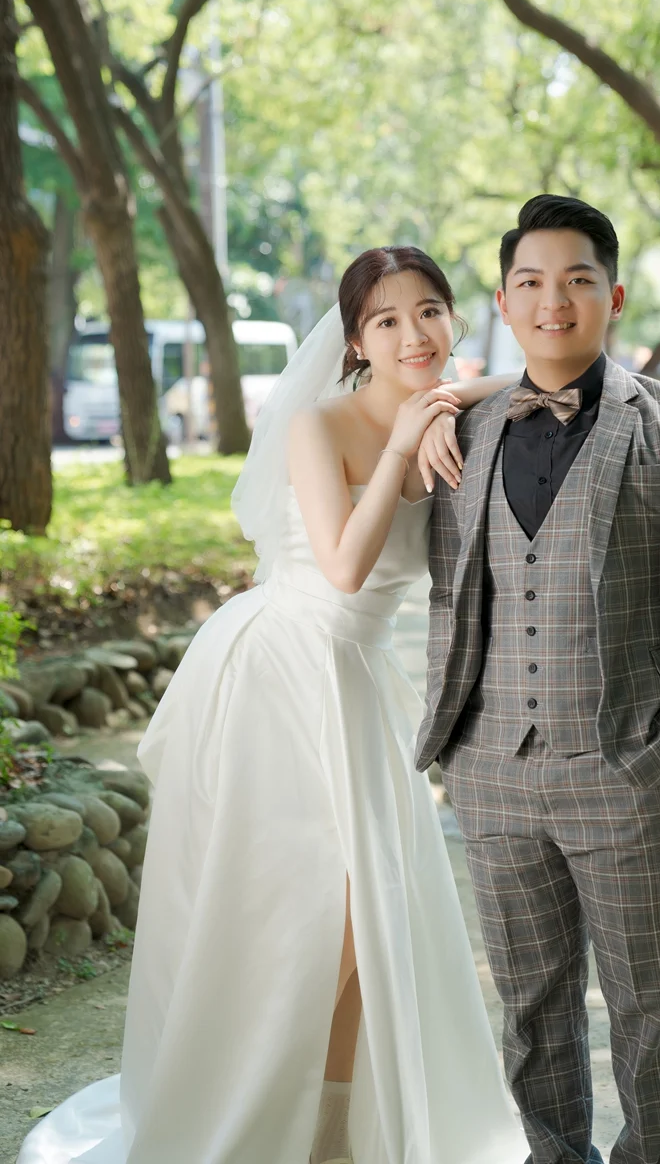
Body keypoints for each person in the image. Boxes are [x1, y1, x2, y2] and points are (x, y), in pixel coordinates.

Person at [18, 246, 528, 1164]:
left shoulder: (446, 403)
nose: (413, 334)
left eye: (429, 311)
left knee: (375, 918)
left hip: (356, 679)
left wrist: (452, 399)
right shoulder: (316, 425)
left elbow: (533, 377)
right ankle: (242, 1115)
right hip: (279, 671)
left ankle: (328, 1134)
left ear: (455, 318)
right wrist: (405, 443)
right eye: (385, 321)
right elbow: (344, 566)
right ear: (355, 343)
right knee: (311, 912)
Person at [416, 196, 660, 1164]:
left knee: (651, 1011)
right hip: (491, 771)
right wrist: (456, 752)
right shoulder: (466, 428)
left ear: (614, 296)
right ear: (502, 303)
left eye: (576, 280)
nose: (551, 301)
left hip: (629, 770)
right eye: (529, 282)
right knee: (530, 1010)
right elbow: (449, 589)